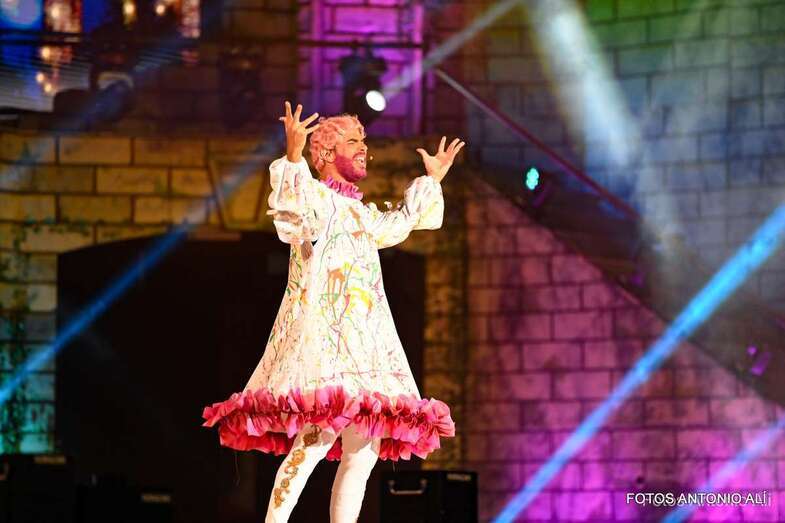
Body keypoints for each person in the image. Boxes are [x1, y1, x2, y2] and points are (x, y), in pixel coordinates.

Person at [202, 101, 464, 522]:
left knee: (364, 451)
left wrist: (432, 179)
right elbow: (293, 215)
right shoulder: (318, 203)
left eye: (364, 142)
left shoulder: (359, 213)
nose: (364, 148)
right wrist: (293, 154)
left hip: (367, 349)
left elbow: (400, 223)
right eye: (354, 141)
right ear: (326, 153)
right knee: (315, 440)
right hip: (327, 349)